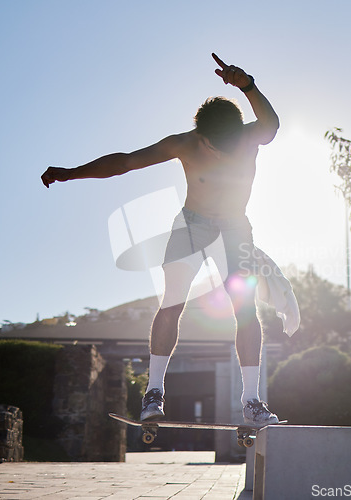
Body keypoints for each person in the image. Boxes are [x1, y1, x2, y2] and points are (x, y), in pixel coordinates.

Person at [41, 53, 282, 426]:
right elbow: (124, 162)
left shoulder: (251, 136)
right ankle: (154, 391)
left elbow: (273, 123)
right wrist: (72, 173)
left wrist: (247, 85)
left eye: (227, 146)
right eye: (212, 146)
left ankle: (251, 399)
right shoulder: (184, 143)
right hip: (191, 225)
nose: (220, 152)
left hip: (236, 227)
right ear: (201, 137)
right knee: (172, 303)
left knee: (245, 308)